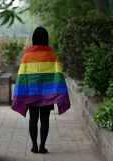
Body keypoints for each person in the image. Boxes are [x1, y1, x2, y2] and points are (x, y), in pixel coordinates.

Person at [12, 26, 70, 154]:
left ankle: (34, 146)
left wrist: (21, 94)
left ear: (34, 38)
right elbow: (58, 75)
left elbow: (22, 76)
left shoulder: (27, 55)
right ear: (46, 38)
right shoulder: (51, 54)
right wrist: (59, 93)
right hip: (47, 95)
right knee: (45, 120)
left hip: (32, 94)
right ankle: (42, 146)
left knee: (33, 119)